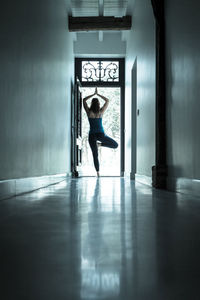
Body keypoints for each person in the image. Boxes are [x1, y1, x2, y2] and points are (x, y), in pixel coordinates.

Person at [83, 87, 118, 177]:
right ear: (98, 104)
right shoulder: (101, 112)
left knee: (95, 154)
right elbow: (107, 100)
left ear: (91, 103)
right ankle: (100, 145)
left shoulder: (89, 112)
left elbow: (84, 100)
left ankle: (98, 172)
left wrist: (93, 94)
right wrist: (97, 94)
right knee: (115, 145)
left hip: (92, 135)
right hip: (100, 134)